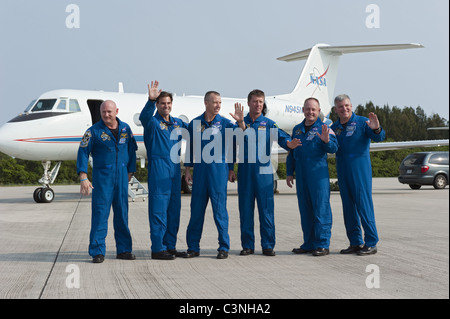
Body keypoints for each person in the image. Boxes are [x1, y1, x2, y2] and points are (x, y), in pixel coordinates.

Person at [237, 89, 301, 257]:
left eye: (261, 102)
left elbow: (282, 138)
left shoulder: (269, 123)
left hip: (264, 173)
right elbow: (230, 145)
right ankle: (247, 246)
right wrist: (230, 169)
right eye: (255, 101)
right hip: (245, 172)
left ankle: (267, 245)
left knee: (266, 210)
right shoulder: (239, 122)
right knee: (245, 210)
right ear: (248, 103)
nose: (258, 104)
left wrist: (290, 144)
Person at [183, 91, 245, 259]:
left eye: (220, 102)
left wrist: (240, 121)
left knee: (220, 211)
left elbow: (241, 137)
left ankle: (223, 247)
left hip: (219, 171)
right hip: (200, 171)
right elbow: (190, 148)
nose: (218, 105)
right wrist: (187, 170)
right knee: (196, 211)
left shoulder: (225, 123)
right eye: (215, 102)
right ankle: (193, 247)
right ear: (206, 103)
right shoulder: (195, 123)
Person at [77, 100, 137, 263]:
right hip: (103, 179)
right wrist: (83, 176)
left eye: (109, 112)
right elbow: (83, 152)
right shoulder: (93, 131)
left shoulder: (125, 129)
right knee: (100, 215)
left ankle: (124, 250)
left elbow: (132, 149)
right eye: (103, 112)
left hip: (122, 177)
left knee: (122, 215)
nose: (106, 115)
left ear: (116, 111)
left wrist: (131, 171)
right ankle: (97, 251)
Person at [139, 81, 189, 260]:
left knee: (174, 211)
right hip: (159, 170)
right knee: (159, 210)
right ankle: (158, 248)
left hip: (175, 170)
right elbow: (144, 118)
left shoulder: (177, 123)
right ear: (158, 105)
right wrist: (150, 100)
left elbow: (195, 132)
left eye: (168, 103)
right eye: (162, 103)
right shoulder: (152, 123)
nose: (166, 106)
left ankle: (170, 246)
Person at [330, 94, 386, 256]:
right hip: (343, 171)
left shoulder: (362, 122)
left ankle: (371, 242)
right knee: (348, 208)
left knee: (363, 204)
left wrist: (376, 128)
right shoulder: (334, 128)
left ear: (351, 106)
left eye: (347, 105)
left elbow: (379, 137)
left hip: (360, 170)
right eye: (340, 106)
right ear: (336, 109)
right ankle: (355, 242)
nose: (344, 108)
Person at [286, 97, 338, 256]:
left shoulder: (325, 128)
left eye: (314, 109)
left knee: (321, 209)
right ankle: (308, 243)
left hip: (318, 177)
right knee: (305, 210)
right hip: (302, 176)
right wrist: (289, 172)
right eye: (308, 109)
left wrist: (326, 141)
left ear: (319, 111)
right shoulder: (297, 130)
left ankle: (322, 244)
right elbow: (291, 153)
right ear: (303, 110)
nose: (310, 112)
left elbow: (334, 148)